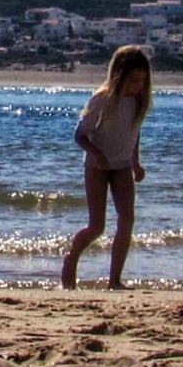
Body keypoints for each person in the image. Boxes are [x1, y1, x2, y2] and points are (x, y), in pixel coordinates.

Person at [61, 45, 152, 289]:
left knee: (127, 220)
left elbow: (133, 132)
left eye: (143, 80)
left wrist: (135, 162)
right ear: (119, 76)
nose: (138, 86)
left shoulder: (138, 102)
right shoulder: (101, 100)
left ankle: (115, 280)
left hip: (121, 165)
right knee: (97, 226)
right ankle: (70, 261)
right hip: (96, 167)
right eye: (134, 80)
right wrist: (97, 153)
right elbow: (79, 135)